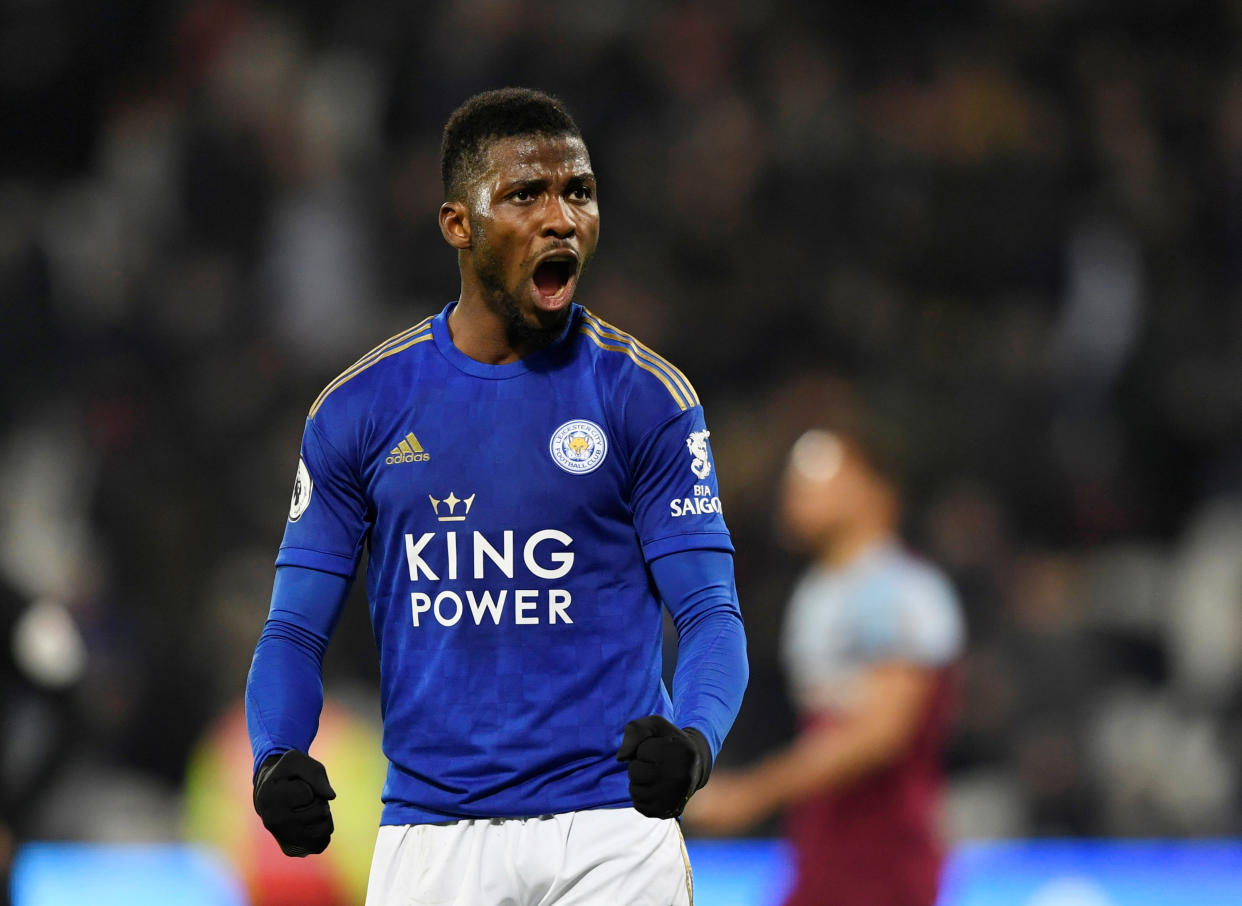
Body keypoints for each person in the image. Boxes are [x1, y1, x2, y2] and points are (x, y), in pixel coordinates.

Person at [244, 87, 748, 906]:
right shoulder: (359, 410)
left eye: (577, 192)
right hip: (433, 841)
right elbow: (295, 629)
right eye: (526, 194)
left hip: (611, 831)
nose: (561, 218)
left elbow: (711, 615)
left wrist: (693, 741)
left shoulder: (648, 398)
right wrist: (274, 757)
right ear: (457, 223)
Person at [685, 423, 964, 906]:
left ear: (877, 490)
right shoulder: (818, 590)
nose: (798, 486)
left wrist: (752, 793)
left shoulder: (903, 592)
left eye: (823, 471)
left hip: (883, 856)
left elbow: (879, 735)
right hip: (822, 844)